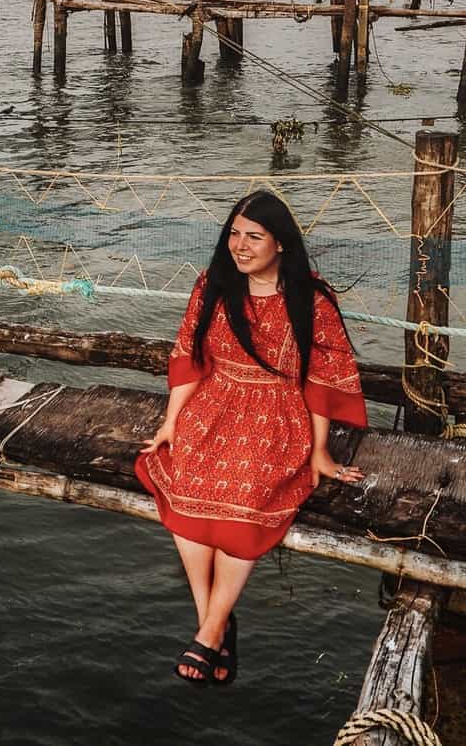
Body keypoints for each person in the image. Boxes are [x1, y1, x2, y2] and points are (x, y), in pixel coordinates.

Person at [136, 191, 367, 685]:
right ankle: (214, 624)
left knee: (246, 489)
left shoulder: (311, 296)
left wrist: (319, 451)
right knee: (185, 480)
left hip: (279, 412)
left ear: (280, 243)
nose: (239, 246)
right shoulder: (214, 285)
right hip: (215, 402)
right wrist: (171, 421)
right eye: (234, 234)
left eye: (253, 237)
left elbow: (323, 377)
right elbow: (189, 357)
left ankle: (210, 631)